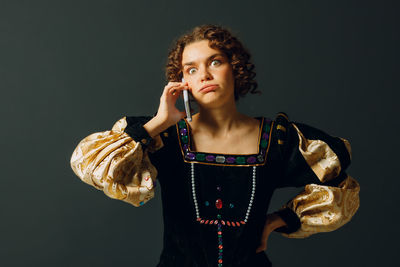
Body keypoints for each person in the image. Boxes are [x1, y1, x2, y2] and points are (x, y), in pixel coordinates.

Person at [70, 24, 360, 267]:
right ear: (181, 81)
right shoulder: (166, 138)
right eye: (191, 69)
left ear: (234, 67)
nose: (204, 75)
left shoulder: (279, 139)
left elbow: (340, 188)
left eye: (215, 62)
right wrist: (158, 122)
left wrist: (275, 221)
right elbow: (92, 167)